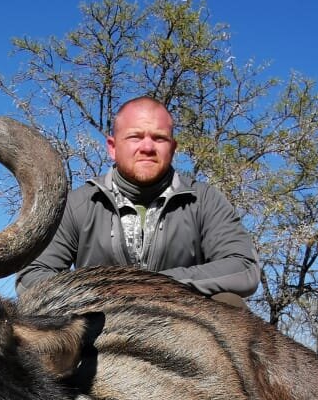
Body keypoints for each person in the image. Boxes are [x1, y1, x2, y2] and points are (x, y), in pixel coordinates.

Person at [15, 96, 261, 304]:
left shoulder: (205, 200)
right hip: (100, 323)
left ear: (172, 148)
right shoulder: (78, 204)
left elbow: (243, 267)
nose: (147, 147)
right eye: (135, 137)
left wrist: (152, 286)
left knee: (228, 302)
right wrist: (101, 291)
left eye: (159, 138)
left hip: (183, 325)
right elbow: (31, 278)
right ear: (112, 147)